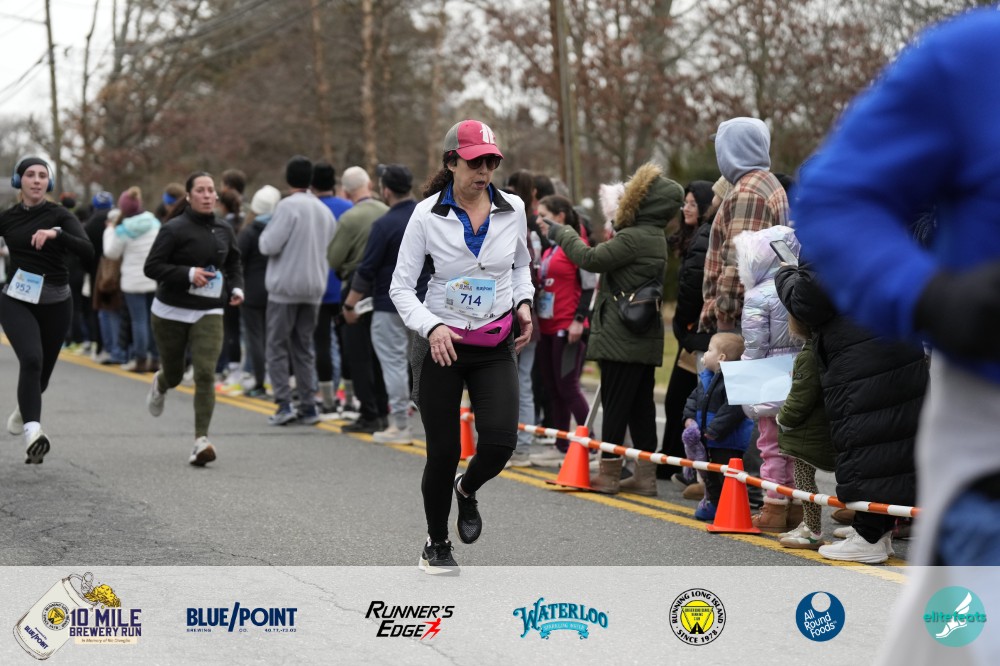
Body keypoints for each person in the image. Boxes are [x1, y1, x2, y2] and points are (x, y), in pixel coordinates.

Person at [390, 119, 534, 575]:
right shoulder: (426, 214)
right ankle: (436, 543)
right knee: (443, 450)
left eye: (491, 162)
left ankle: (466, 489)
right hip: (442, 346)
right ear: (451, 162)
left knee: (500, 443)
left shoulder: (513, 208)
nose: (484, 171)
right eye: (475, 162)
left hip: (494, 342)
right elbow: (400, 287)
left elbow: (521, 266)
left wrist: (524, 302)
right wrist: (431, 327)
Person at [539, 162, 683, 496]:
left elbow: (590, 259)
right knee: (641, 407)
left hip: (622, 335)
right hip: (640, 335)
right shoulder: (653, 236)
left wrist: (564, 233)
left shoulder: (634, 237)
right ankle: (645, 477)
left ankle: (609, 473)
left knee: (616, 405)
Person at [143, 171, 244, 466]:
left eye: (211, 190)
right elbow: (152, 267)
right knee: (175, 374)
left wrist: (236, 287)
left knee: (205, 373)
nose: (207, 195)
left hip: (209, 309)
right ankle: (161, 382)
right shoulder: (173, 229)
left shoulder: (224, 229)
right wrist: (187, 274)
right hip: (170, 310)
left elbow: (234, 262)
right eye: (200, 190)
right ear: (188, 196)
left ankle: (201, 441)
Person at [1, 156, 94, 463]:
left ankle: (24, 410)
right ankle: (33, 434)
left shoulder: (59, 215)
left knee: (41, 378)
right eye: (30, 174)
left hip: (57, 302)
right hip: (17, 299)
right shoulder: (8, 218)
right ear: (19, 181)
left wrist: (58, 234)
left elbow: (88, 250)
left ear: (49, 182)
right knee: (31, 359)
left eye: (43, 175)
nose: (37, 180)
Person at [343, 164, 428, 445]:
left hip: (389, 303)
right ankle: (434, 425)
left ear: (386, 190)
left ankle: (400, 425)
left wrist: (350, 305)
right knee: (424, 366)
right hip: (425, 302)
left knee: (393, 364)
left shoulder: (383, 225)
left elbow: (366, 269)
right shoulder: (426, 216)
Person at [259, 155, 338, 426]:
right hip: (314, 287)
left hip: (285, 287)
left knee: (277, 346)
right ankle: (308, 405)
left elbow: (268, 245)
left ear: (288, 179)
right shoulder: (322, 210)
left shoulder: (287, 206)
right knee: (304, 347)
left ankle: (283, 404)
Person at [736, 225, 803, 531]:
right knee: (796, 447)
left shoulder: (756, 296)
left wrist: (748, 393)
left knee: (770, 445)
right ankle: (797, 506)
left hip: (769, 376)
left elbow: (754, 347)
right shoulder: (799, 286)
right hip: (800, 373)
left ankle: (774, 506)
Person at [700, 117, 788, 333]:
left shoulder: (748, 193)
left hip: (741, 322)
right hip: (759, 317)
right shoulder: (767, 182)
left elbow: (739, 265)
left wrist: (725, 320)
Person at [530, 194, 595, 466]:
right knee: (553, 388)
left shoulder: (576, 245)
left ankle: (591, 446)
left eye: (543, 215)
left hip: (568, 327)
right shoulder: (550, 249)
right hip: (547, 327)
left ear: (560, 217)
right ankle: (561, 445)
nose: (538, 221)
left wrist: (579, 319)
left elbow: (590, 285)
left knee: (568, 387)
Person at [659, 180, 715, 484]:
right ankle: (673, 461)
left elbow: (693, 289)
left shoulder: (704, 238)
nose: (686, 209)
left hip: (698, 331)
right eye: (685, 203)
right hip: (691, 332)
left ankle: (689, 468)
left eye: (693, 203)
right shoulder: (691, 238)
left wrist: (682, 326)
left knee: (690, 401)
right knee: (678, 399)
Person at [328, 166, 389, 433]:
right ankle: (384, 410)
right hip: (385, 287)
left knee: (358, 353)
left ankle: (369, 414)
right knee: (381, 352)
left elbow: (334, 258)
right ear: (370, 184)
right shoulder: (386, 212)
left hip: (356, 287)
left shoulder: (349, 219)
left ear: (346, 191)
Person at [776, 313, 837, 549]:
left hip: (808, 432)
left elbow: (801, 397)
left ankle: (812, 529)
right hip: (817, 428)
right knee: (807, 480)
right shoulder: (820, 350)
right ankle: (808, 524)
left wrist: (783, 418)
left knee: (804, 480)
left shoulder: (808, 356)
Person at [682, 332, 755, 520]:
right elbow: (693, 399)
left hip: (727, 440)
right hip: (709, 438)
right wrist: (689, 418)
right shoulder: (706, 378)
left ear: (721, 357)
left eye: (709, 350)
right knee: (710, 474)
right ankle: (714, 504)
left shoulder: (734, 381)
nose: (705, 354)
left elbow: (733, 409)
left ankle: (732, 506)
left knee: (727, 475)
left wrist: (714, 429)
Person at [104, 186, 160, 374]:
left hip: (132, 280)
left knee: (139, 321)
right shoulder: (154, 223)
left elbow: (111, 253)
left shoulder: (123, 229)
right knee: (153, 320)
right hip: (153, 277)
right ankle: (156, 359)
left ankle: (140, 359)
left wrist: (109, 231)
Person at [311, 162, 352, 413]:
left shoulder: (310, 209)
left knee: (321, 342)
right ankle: (350, 398)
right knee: (347, 342)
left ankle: (325, 398)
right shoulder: (348, 208)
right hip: (344, 285)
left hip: (318, 285)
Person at [237, 185, 281, 398]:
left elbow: (237, 260)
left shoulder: (248, 232)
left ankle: (259, 382)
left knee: (255, 338)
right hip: (276, 289)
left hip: (252, 291)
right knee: (274, 338)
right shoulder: (279, 230)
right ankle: (278, 381)